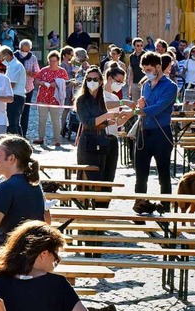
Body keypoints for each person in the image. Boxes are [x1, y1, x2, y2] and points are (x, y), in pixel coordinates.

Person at [0, 136, 45, 255]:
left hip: (11, 257)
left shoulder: (6, 187)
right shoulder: (35, 186)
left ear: (11, 158)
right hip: (33, 256)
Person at [74, 66, 129, 208]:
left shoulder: (101, 100)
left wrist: (110, 121)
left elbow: (102, 122)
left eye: (95, 79)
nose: (92, 82)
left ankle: (100, 211)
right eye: (89, 79)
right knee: (88, 179)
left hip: (103, 140)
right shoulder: (81, 100)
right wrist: (107, 116)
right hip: (88, 143)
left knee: (105, 178)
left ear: (100, 81)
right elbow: (87, 122)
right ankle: (84, 213)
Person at [134, 52, 177, 201]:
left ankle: (165, 207)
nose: (147, 73)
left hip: (161, 133)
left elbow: (159, 107)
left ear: (158, 67)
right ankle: (139, 206)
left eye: (149, 70)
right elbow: (145, 106)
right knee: (140, 175)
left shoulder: (171, 86)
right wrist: (141, 105)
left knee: (163, 174)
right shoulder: (145, 84)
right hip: (144, 132)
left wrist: (139, 111)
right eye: (144, 70)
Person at [34, 50, 69, 146]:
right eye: (50, 61)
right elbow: (36, 79)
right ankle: (41, 138)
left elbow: (66, 82)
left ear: (58, 61)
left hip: (55, 99)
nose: (52, 63)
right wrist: (42, 83)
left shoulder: (62, 71)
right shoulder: (44, 70)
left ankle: (57, 140)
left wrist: (57, 84)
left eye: (54, 61)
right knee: (42, 119)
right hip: (43, 97)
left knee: (55, 120)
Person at [0, 46, 26, 135]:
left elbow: (11, 85)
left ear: (8, 55)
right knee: (14, 123)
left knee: (12, 123)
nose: (1, 60)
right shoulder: (11, 66)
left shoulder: (15, 66)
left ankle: (16, 145)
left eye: (2, 57)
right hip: (14, 96)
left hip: (15, 97)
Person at [16, 39, 41, 138]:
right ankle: (15, 132)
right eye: (23, 50)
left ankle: (24, 133)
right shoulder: (14, 56)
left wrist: (28, 73)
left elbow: (37, 73)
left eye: (26, 51)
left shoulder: (33, 58)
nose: (24, 53)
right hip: (15, 89)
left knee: (25, 112)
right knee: (15, 112)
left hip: (28, 88)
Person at [128, 37, 146, 102]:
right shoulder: (131, 57)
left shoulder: (146, 55)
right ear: (134, 46)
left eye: (141, 45)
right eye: (137, 45)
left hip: (145, 83)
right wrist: (129, 87)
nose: (139, 47)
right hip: (135, 83)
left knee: (143, 103)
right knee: (134, 104)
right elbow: (131, 72)